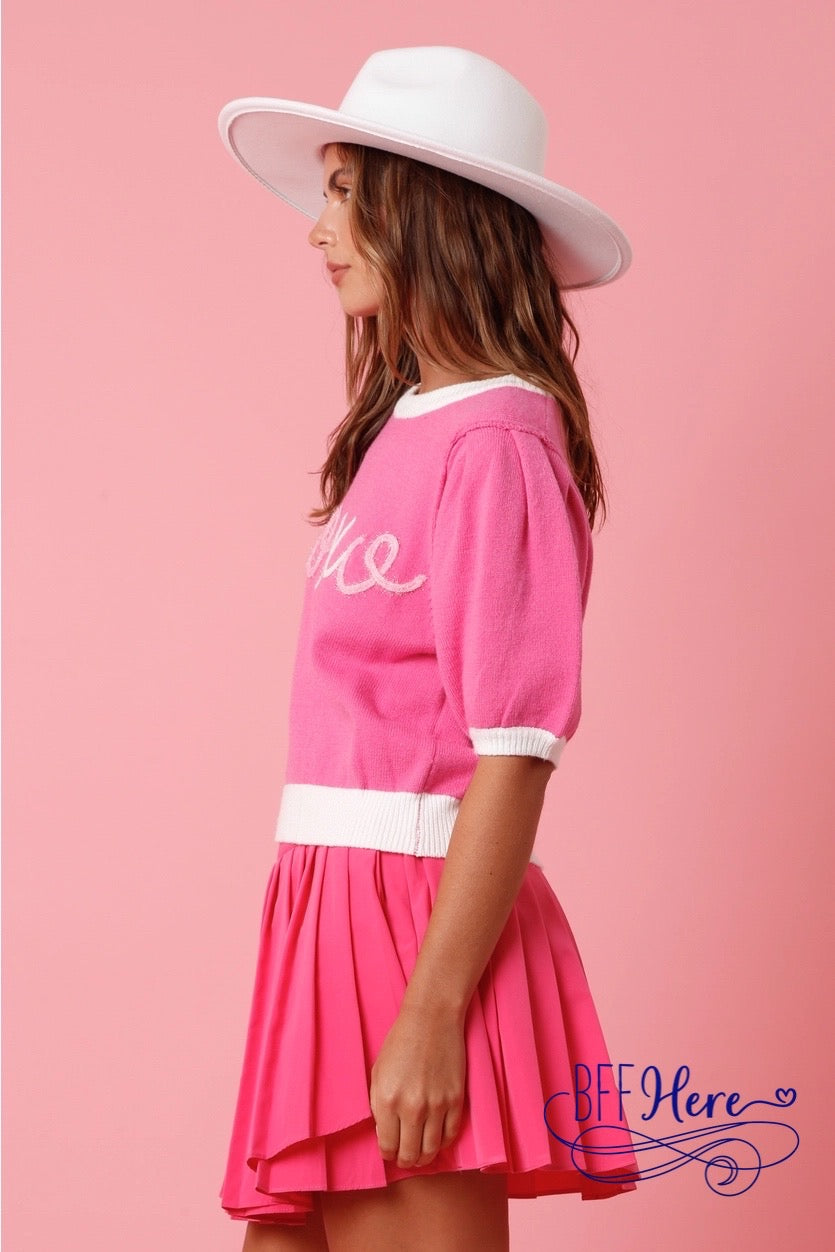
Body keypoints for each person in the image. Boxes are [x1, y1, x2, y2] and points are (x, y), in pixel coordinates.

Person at [216, 46, 641, 1252]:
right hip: (326, 910)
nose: (319, 229)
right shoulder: (407, 427)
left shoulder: (499, 439)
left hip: (413, 926)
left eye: (347, 192)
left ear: (430, 212)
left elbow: (515, 749)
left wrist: (433, 1011)